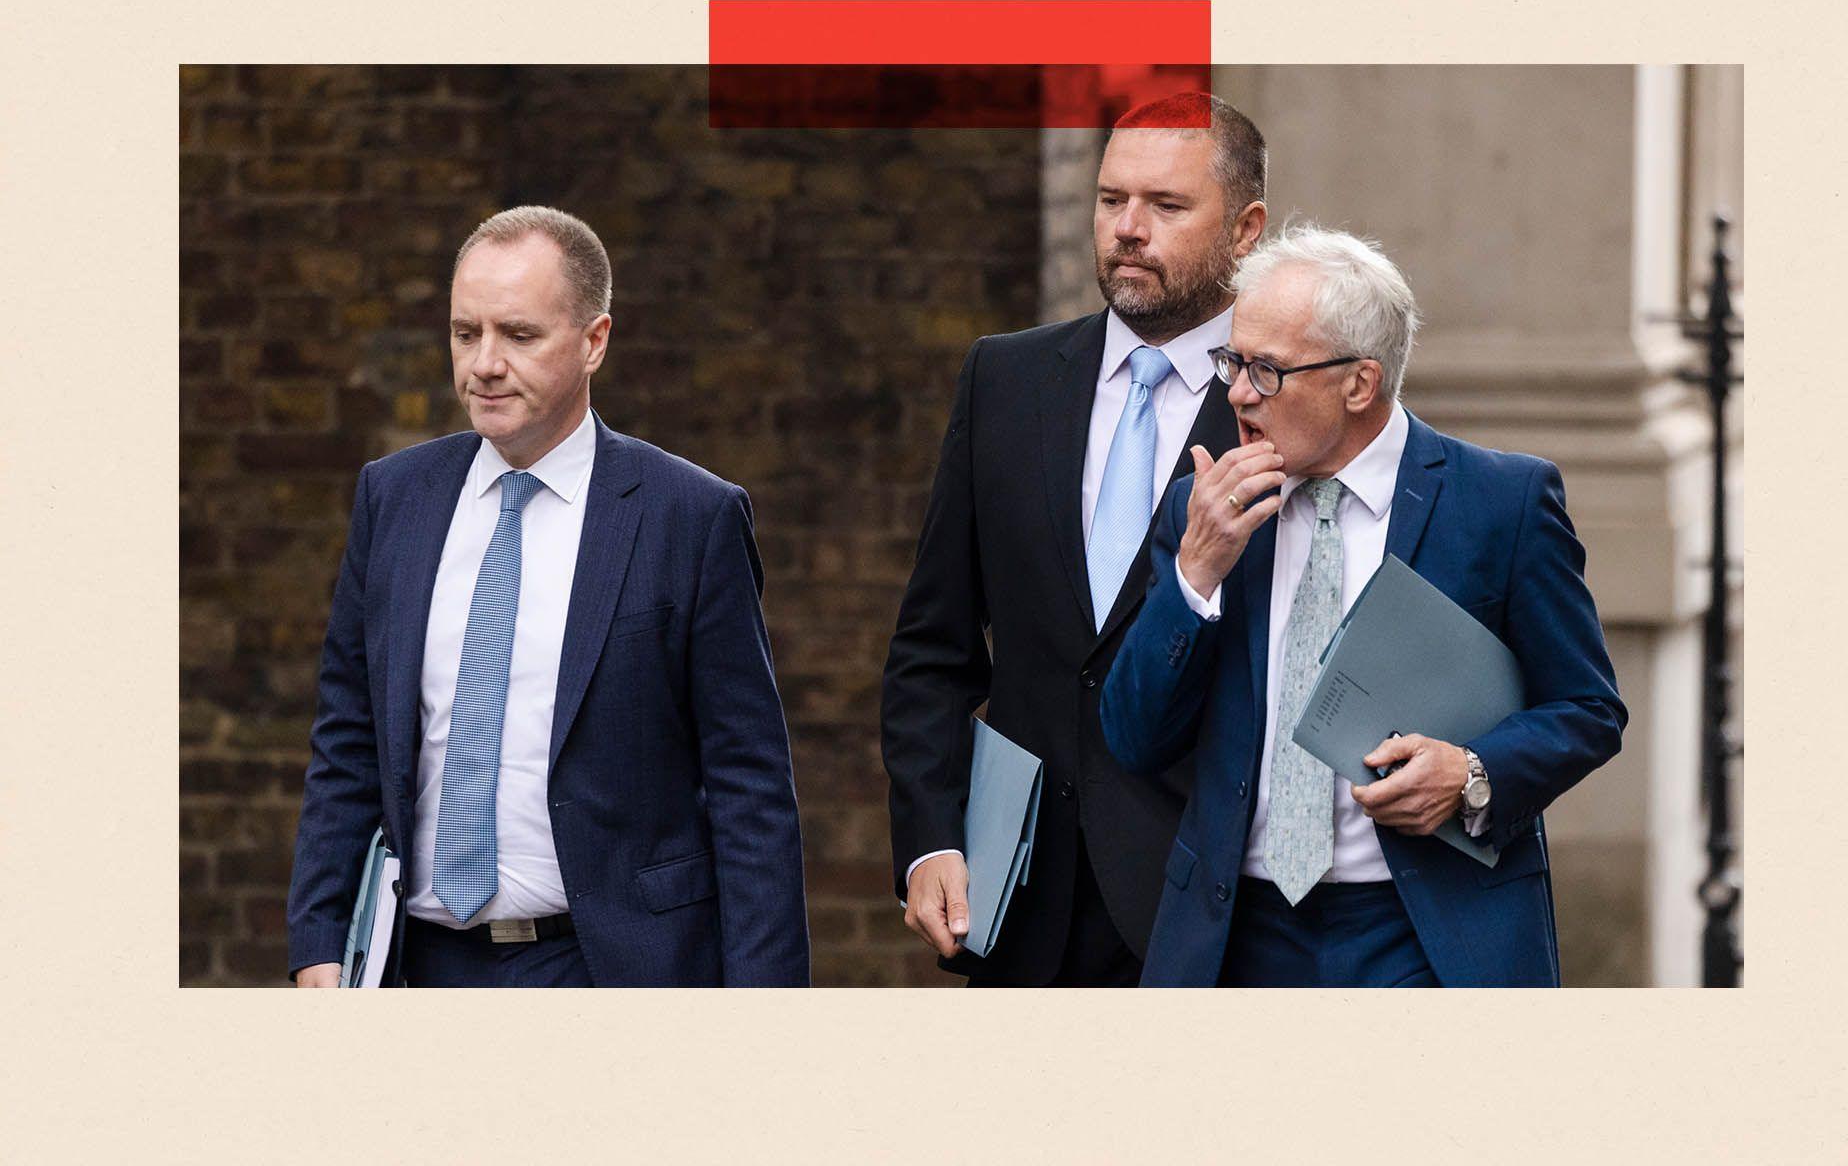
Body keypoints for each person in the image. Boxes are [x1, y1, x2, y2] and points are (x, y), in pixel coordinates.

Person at [286, 206, 808, 987]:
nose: (485, 364)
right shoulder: (395, 499)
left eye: (519, 335)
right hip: (415, 965)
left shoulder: (689, 516)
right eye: (466, 333)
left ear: (595, 341)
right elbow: (349, 739)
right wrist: (319, 939)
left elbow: (749, 785)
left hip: (613, 968)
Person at [1101, 223, 1626, 987]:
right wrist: (1196, 574)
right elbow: (1134, 738)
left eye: (1266, 371)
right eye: (1232, 362)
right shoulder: (1202, 509)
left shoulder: (1500, 502)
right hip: (1234, 935)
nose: (1236, 392)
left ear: (1359, 384)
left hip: (1425, 933)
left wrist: (1472, 773)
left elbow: (1588, 709)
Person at [882, 94, 1267, 985]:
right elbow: (932, 650)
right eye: (1110, 199)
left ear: (1245, 231)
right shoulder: (1003, 379)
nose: (1128, 227)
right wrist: (930, 839)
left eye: (1165, 205)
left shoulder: (1282, 400)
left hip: (1207, 913)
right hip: (1019, 903)